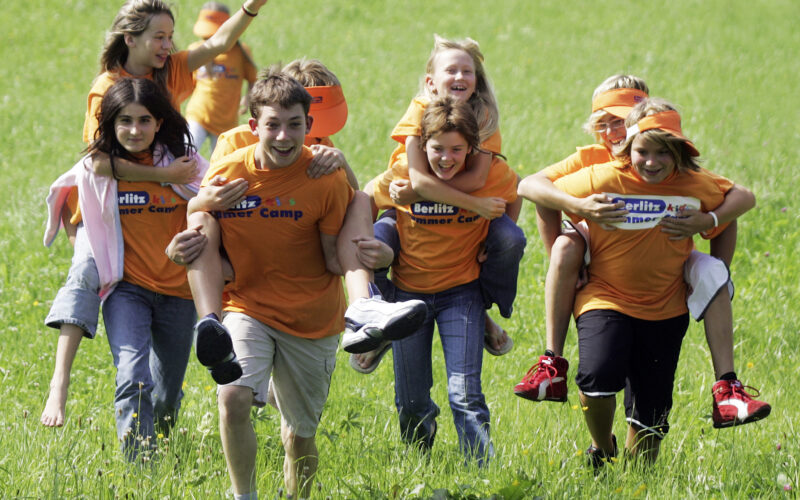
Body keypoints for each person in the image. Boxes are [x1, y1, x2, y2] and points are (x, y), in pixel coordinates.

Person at [186, 70, 423, 498]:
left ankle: (364, 306)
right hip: (247, 308)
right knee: (233, 399)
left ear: (309, 126)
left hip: (312, 318)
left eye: (294, 124)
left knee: (299, 434)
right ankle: (245, 495)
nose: (282, 136)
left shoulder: (324, 177)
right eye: (272, 125)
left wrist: (379, 256)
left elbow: (335, 257)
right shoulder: (227, 174)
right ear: (252, 126)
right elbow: (203, 237)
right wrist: (192, 217)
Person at [40, 0, 269, 427]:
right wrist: (162, 174)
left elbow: (220, 41)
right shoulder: (106, 86)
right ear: (131, 39)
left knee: (220, 242)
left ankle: (242, 345)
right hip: (105, 203)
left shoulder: (171, 72)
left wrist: (250, 8)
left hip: (167, 192)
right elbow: (97, 161)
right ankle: (60, 383)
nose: (168, 45)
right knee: (87, 271)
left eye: (170, 36)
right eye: (158, 37)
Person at [513, 75, 770, 430]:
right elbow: (534, 188)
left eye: (620, 121)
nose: (613, 131)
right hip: (603, 258)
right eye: (604, 123)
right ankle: (552, 361)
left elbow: (736, 198)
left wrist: (708, 221)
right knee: (565, 246)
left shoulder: (682, 173)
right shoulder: (595, 167)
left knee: (711, 271)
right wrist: (580, 209)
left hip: (667, 265)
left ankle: (727, 386)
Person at [49, 78, 206, 458]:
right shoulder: (98, 174)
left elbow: (212, 207)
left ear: (159, 122)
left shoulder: (185, 166)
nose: (134, 130)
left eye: (144, 120)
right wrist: (100, 262)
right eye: (124, 121)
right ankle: (141, 471)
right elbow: (78, 223)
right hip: (127, 291)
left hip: (179, 291)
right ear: (110, 124)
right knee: (133, 378)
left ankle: (163, 440)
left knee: (166, 395)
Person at [353, 34, 525, 373]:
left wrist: (483, 221)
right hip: (402, 205)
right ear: (431, 82)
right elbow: (415, 179)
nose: (460, 77)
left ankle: (481, 309)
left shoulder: (485, 116)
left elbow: (478, 180)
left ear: (476, 82)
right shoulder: (419, 110)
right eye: (452, 71)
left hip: (452, 206)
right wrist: (415, 193)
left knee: (510, 239)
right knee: (369, 245)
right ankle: (385, 312)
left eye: (468, 71)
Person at [368, 96, 521, 464]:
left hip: (460, 294)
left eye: (457, 149)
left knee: (464, 392)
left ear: (471, 149)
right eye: (437, 149)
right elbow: (364, 200)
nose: (447, 158)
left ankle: (481, 466)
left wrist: (498, 233)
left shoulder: (492, 174)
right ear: (423, 146)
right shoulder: (403, 173)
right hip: (407, 295)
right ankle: (419, 459)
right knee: (411, 398)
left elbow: (514, 195)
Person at [185, 2, 258, 153]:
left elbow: (252, 79)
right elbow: (185, 81)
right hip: (198, 114)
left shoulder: (241, 53)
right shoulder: (196, 51)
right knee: (186, 153)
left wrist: (249, 97)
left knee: (222, 164)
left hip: (226, 122)